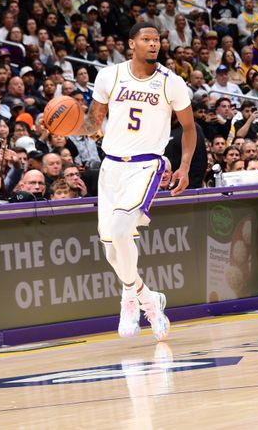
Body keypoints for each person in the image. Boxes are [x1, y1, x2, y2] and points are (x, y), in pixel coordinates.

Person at [74, 22, 196, 342]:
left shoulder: (172, 82)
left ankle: (128, 297)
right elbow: (93, 123)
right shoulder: (109, 76)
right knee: (113, 251)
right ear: (132, 44)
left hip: (147, 165)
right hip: (111, 167)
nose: (153, 44)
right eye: (146, 39)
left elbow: (189, 128)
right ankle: (148, 299)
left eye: (157, 40)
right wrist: (67, 125)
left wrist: (183, 166)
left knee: (120, 230)